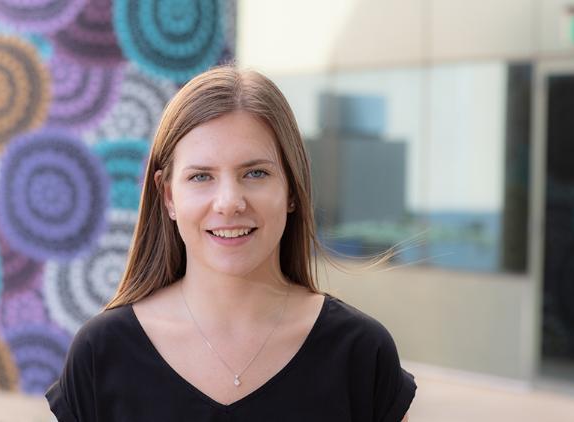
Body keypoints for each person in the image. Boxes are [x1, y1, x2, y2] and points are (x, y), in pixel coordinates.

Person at [45, 65, 416, 421]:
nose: (229, 202)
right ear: (168, 196)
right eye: (201, 176)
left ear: (291, 188)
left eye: (255, 173)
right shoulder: (102, 353)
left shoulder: (360, 353)